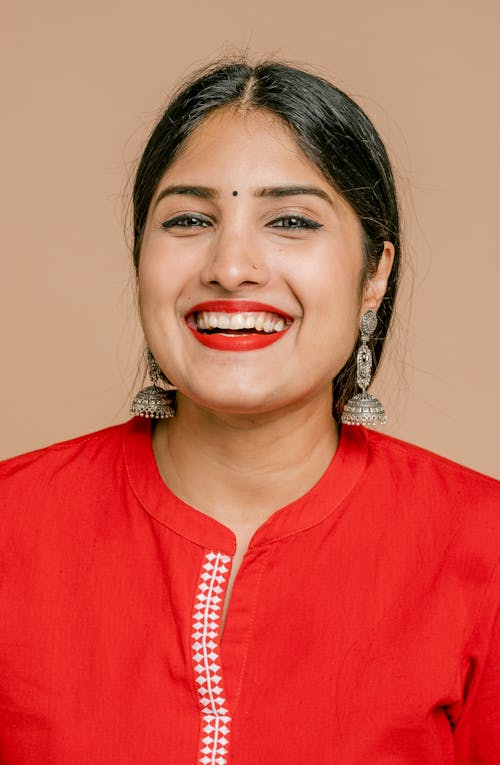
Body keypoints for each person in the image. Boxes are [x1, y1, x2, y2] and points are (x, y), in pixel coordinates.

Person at [0, 59, 498, 764]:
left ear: (375, 274)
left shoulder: (484, 549)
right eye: (190, 219)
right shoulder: (10, 529)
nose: (231, 266)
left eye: (291, 220)